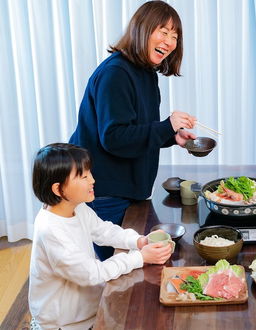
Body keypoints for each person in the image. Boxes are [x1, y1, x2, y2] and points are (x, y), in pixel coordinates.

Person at [69, 1, 196, 261]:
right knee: (120, 277)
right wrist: (165, 125)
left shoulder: (145, 73)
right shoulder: (116, 73)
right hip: (106, 190)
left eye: (175, 36)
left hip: (129, 188)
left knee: (136, 268)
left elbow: (136, 130)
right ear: (143, 29)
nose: (170, 41)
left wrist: (172, 136)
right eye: (163, 31)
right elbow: (114, 138)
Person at [29, 143, 173, 329]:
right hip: (63, 324)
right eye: (83, 176)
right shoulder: (51, 231)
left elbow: (103, 231)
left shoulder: (76, 206)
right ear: (58, 189)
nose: (93, 180)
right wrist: (140, 257)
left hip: (86, 311)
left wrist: (138, 241)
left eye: (90, 173)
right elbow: (92, 273)